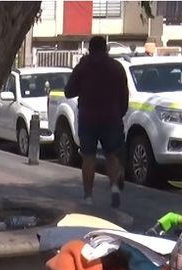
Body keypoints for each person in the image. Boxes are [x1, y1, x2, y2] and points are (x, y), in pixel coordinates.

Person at [64, 36, 129, 208]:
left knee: (89, 157)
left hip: (88, 117)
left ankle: (88, 196)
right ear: (106, 49)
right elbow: (124, 95)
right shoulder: (117, 68)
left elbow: (68, 91)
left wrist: (83, 86)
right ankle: (114, 188)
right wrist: (119, 113)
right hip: (111, 117)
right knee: (111, 154)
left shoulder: (83, 67)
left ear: (89, 49)